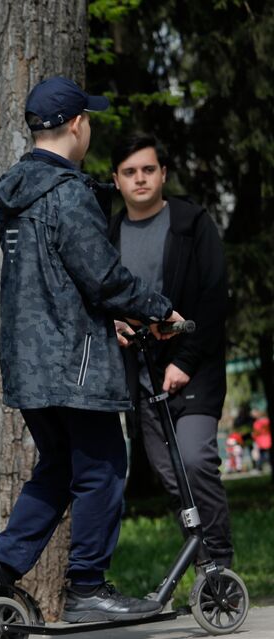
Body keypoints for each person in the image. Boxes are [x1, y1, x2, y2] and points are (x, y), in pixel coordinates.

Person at [0, 78, 183, 621]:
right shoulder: (66, 193)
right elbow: (102, 277)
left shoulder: (16, 192)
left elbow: (55, 278)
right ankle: (87, 587)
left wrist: (113, 317)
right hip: (75, 362)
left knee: (59, 466)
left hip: (30, 359)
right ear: (77, 124)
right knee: (104, 467)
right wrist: (160, 310)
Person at [107, 133, 234, 568]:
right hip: (141, 372)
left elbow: (214, 297)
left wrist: (184, 360)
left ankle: (219, 567)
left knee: (195, 459)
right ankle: (204, 568)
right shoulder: (109, 233)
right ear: (117, 180)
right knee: (170, 474)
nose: (139, 179)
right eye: (129, 172)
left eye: (147, 169)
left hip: (194, 367)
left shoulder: (190, 222)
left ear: (162, 174)